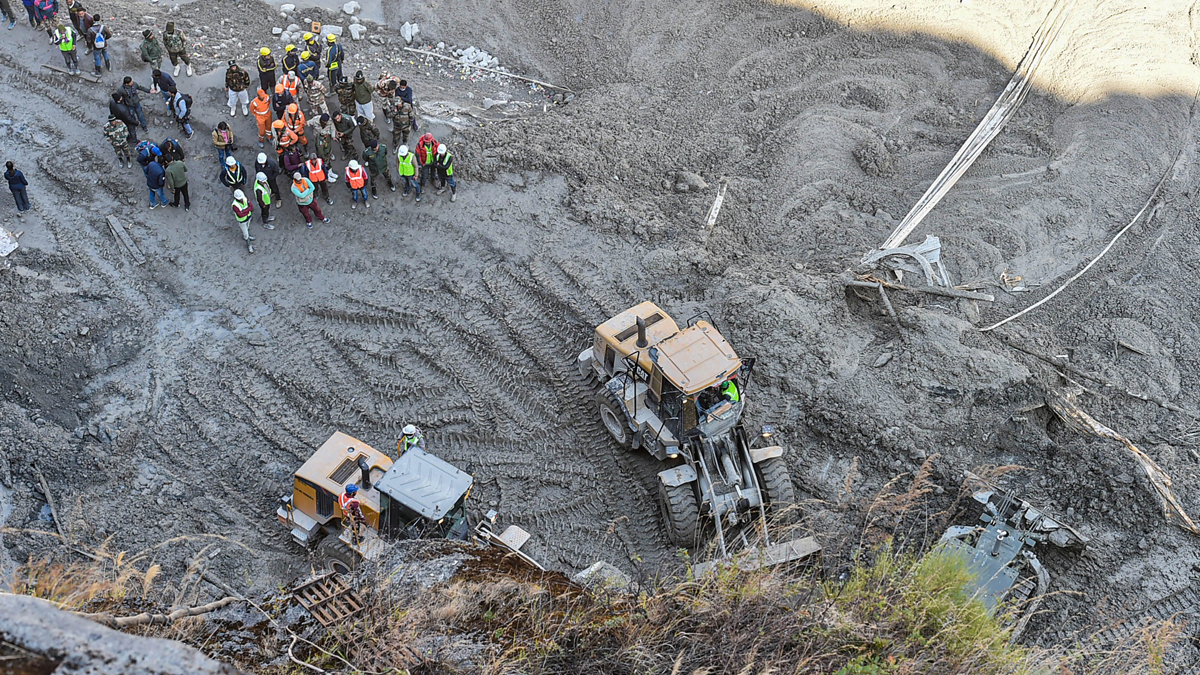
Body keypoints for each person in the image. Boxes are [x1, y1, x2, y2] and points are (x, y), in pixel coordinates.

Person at [230, 189, 255, 253]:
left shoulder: (245, 198)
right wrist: (248, 210)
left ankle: (247, 237)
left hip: (248, 217)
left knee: (247, 228)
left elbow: (251, 207)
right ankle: (249, 244)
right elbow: (240, 215)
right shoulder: (235, 205)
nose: (241, 199)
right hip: (242, 221)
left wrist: (244, 211)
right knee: (245, 233)